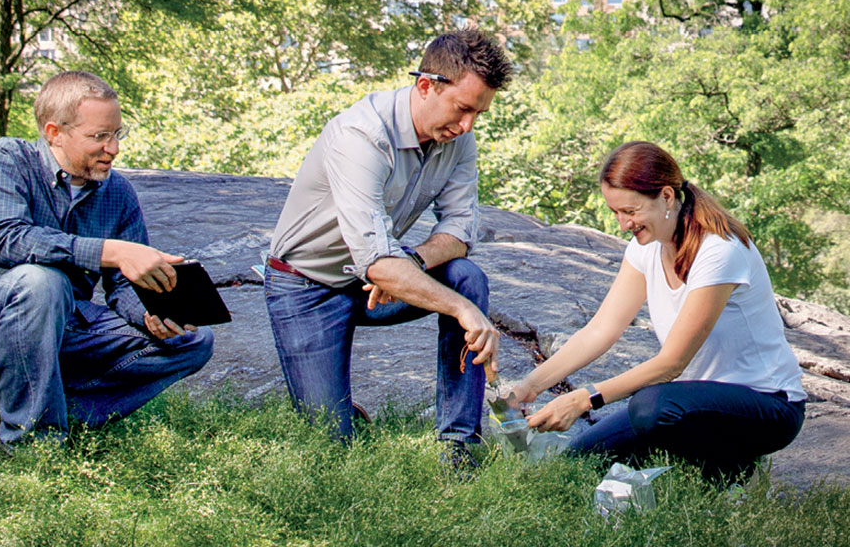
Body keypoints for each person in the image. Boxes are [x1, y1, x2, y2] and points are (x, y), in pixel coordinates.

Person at [0, 71, 213, 450]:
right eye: (99, 136)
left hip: (60, 328)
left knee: (194, 340)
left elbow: (123, 287)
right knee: (43, 281)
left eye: (117, 134)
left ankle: (48, 412)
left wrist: (149, 315)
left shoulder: (118, 193)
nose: (114, 149)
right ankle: (34, 450)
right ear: (54, 132)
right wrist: (113, 251)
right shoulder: (5, 158)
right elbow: (3, 239)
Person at [264, 27, 513, 468]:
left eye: (478, 113)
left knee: (466, 279)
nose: (469, 125)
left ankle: (459, 446)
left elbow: (460, 230)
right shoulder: (360, 135)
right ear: (425, 85)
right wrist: (459, 309)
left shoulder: (459, 138)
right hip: (306, 288)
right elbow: (377, 260)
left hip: (377, 283)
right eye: (462, 108)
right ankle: (342, 414)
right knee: (331, 451)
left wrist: (411, 265)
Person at [504, 141, 806, 483]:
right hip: (694, 401)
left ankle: (730, 470)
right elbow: (602, 329)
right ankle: (692, 461)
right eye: (615, 212)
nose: (622, 224)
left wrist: (583, 399)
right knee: (574, 466)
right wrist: (529, 387)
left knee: (651, 408)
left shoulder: (719, 252)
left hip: (767, 406)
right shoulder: (645, 249)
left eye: (630, 211)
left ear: (665, 197)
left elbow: (671, 364)